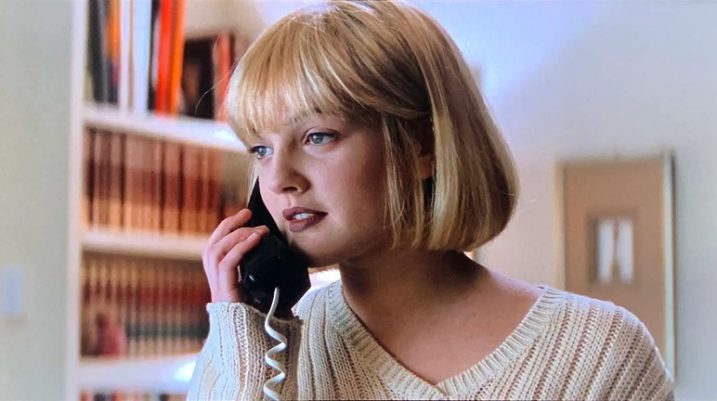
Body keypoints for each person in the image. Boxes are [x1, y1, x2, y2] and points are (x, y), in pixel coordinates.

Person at [187, 1, 673, 399]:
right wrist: (247, 339)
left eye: (318, 136)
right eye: (261, 149)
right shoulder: (260, 351)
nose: (279, 179)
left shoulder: (599, 354)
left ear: (423, 146)